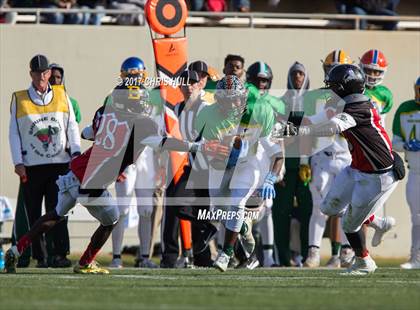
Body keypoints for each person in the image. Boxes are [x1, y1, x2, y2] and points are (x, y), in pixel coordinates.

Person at [4, 81, 228, 274]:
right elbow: (164, 143)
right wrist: (198, 146)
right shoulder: (142, 123)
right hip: (93, 181)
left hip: (75, 171)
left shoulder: (105, 113)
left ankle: (16, 249)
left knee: (55, 214)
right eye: (139, 99)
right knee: (111, 220)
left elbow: (86, 133)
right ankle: (85, 262)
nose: (144, 103)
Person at [282, 64, 403, 275]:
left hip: (378, 175)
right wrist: (287, 124)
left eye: (334, 86)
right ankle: (378, 222)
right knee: (328, 207)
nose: (331, 90)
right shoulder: (344, 103)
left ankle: (364, 261)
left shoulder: (359, 108)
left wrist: (301, 131)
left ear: (346, 88)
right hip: (356, 168)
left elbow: (331, 128)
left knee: (348, 224)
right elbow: (313, 121)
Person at [195, 75, 284, 272]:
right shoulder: (208, 116)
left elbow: (277, 153)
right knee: (218, 206)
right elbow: (208, 150)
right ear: (220, 101)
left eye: (238, 98)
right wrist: (214, 151)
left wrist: (270, 178)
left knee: (237, 200)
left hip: (250, 160)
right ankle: (243, 227)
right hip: (222, 163)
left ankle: (226, 253)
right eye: (229, 100)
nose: (235, 103)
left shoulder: (260, 110)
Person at [8, 54, 81, 268]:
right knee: (33, 213)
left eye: (45, 72)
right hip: (32, 166)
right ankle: (40, 257)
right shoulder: (19, 99)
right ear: (31, 74)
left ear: (49, 73)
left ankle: (59, 254)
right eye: (37, 72)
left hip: (60, 164)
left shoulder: (61, 94)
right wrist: (17, 162)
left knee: (59, 209)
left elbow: (72, 126)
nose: (41, 76)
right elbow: (13, 133)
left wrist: (76, 153)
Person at [161, 70, 217, 268]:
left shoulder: (206, 107)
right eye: (184, 82)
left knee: (226, 211)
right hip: (194, 168)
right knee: (180, 204)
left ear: (199, 85)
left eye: (192, 82)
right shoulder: (178, 108)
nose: (188, 85)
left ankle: (242, 256)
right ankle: (206, 241)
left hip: (213, 169)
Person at [304, 50, 354, 269]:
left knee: (345, 208)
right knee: (318, 208)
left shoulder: (353, 98)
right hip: (321, 157)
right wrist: (306, 160)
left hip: (346, 158)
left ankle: (345, 250)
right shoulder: (315, 96)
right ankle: (314, 251)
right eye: (330, 70)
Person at [272, 61, 313, 267]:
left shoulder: (314, 103)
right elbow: (278, 134)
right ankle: (283, 257)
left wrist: (298, 128)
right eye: (295, 73)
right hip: (286, 166)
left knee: (308, 212)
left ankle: (308, 256)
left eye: (301, 73)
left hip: (308, 167)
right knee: (281, 212)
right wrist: (301, 128)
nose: (298, 77)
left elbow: (320, 132)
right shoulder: (281, 102)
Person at [245, 61, 285, 267]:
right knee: (237, 206)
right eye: (258, 80)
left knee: (267, 207)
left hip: (267, 156)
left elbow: (281, 134)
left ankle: (268, 257)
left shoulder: (276, 103)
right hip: (246, 156)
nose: (261, 84)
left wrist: (280, 165)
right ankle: (238, 252)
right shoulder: (243, 98)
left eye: (264, 80)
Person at [392, 77, 420, 269]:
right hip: (416, 172)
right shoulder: (405, 109)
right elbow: (394, 142)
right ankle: (416, 258)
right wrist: (406, 145)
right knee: (417, 216)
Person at [360, 49, 393, 126]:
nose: (372, 75)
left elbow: (382, 116)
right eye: (368, 70)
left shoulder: (385, 94)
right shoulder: (356, 89)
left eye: (376, 72)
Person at [335, 0, 399, 30]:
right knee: (360, 16)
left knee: (393, 18)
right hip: (359, 7)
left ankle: (385, 41)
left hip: (376, 10)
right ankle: (360, 42)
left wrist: (376, 6)